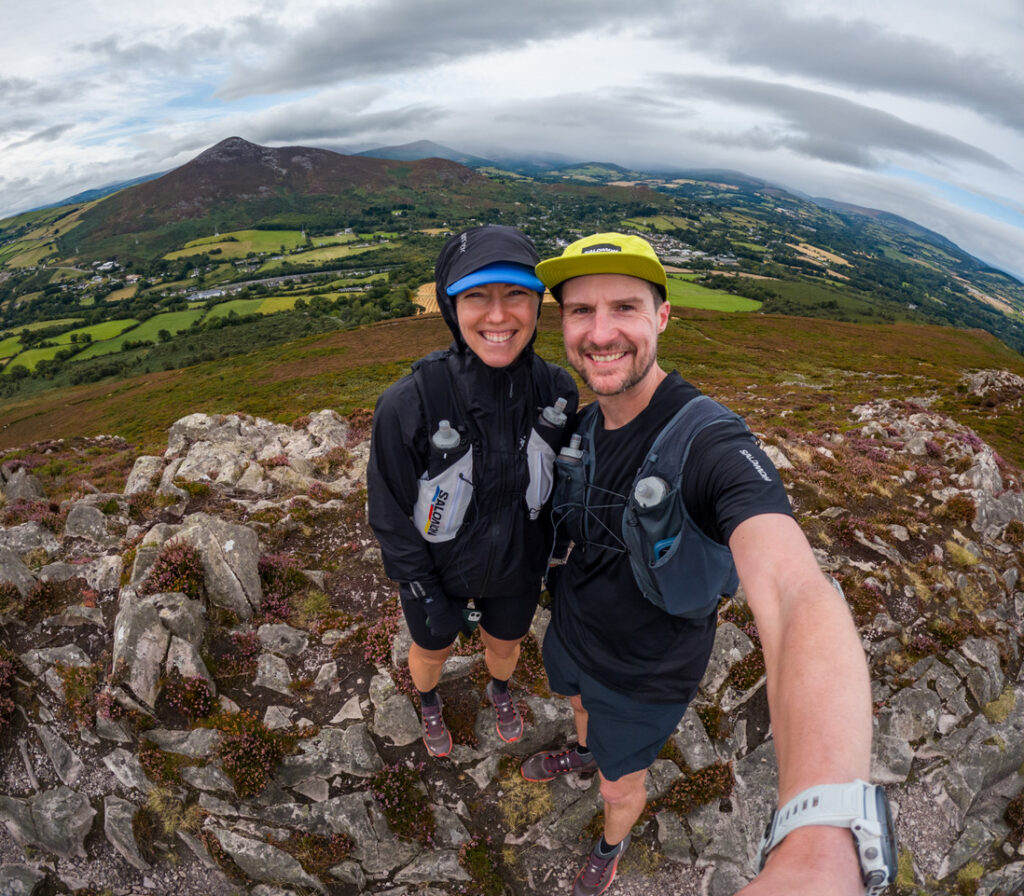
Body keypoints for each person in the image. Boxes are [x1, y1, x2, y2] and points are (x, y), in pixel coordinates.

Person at [521, 233, 875, 896]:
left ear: (662, 316)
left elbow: (796, 594)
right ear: (561, 323)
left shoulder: (711, 442)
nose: (601, 333)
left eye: (625, 307)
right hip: (570, 637)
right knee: (577, 705)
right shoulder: (583, 427)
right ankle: (586, 743)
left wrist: (823, 835)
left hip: (643, 674)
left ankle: (612, 840)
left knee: (619, 782)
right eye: (580, 311)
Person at [367, 225, 579, 758]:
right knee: (430, 649)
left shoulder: (558, 391)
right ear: (450, 306)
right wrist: (418, 587)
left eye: (517, 295)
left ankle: (499, 688)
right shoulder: (408, 402)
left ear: (537, 304)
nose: (499, 315)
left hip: (517, 570)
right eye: (477, 296)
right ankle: (430, 700)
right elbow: (389, 510)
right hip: (435, 572)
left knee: (504, 646)